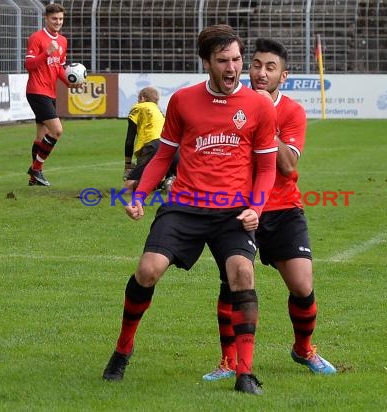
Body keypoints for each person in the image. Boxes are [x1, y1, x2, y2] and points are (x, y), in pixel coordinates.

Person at [102, 25, 278, 395]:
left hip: (232, 211)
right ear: (206, 63)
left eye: (236, 59)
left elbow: (265, 167)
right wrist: (140, 195)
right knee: (147, 271)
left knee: (242, 274)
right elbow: (164, 154)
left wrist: (256, 208)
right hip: (184, 206)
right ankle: (123, 348)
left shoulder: (259, 105)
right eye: (223, 61)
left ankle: (244, 373)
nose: (232, 68)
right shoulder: (183, 101)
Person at [202, 38, 337, 382]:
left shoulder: (291, 111)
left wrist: (267, 114)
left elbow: (289, 166)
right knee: (233, 282)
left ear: (284, 76)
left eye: (270, 67)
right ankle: (228, 361)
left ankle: (303, 349)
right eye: (257, 65)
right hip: (241, 207)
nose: (261, 73)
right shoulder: (234, 105)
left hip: (283, 208)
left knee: (302, 284)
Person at [24, 3, 82, 186]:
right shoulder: (36, 38)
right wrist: (45, 53)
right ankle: (36, 169)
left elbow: (58, 68)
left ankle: (34, 178)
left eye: (61, 19)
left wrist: (70, 84)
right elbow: (29, 66)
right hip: (36, 91)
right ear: (46, 18)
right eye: (54, 19)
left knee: (41, 137)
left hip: (50, 92)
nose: (58, 22)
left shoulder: (63, 41)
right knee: (57, 131)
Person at [123, 86, 178, 192]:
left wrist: (128, 165)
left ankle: (160, 183)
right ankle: (169, 181)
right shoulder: (160, 112)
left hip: (153, 144)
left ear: (142, 98)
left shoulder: (139, 107)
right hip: (173, 147)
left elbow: (129, 140)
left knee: (128, 186)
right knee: (163, 174)